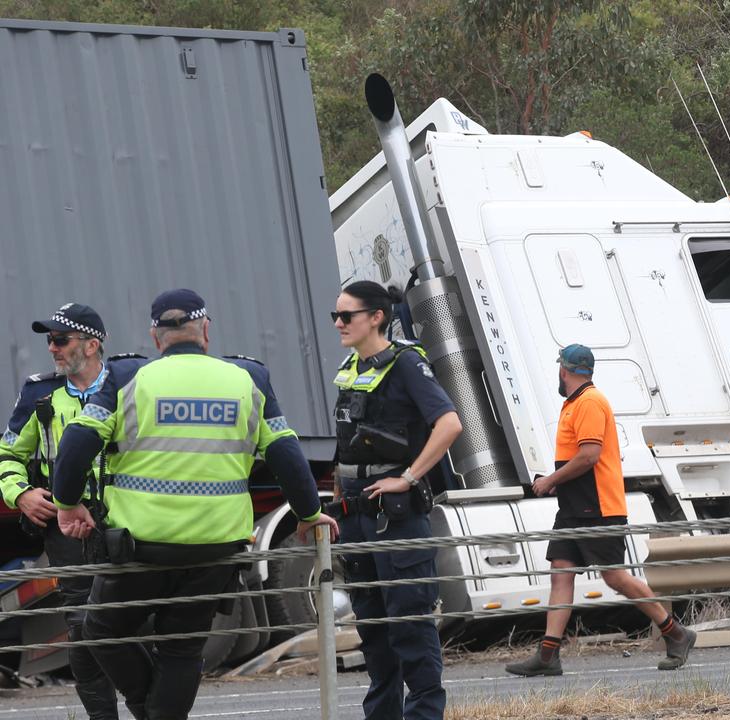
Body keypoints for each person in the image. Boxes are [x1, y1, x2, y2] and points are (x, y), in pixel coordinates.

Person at [51, 289, 337, 720]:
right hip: (216, 548)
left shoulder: (128, 377)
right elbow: (285, 454)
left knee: (102, 631)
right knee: (182, 647)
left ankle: (146, 709)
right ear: (205, 330)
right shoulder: (249, 379)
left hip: (141, 548)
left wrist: (67, 504)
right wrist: (309, 514)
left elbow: (75, 444)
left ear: (155, 335)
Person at [506, 344, 696, 677]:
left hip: (597, 508)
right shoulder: (576, 403)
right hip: (574, 508)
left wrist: (551, 478)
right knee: (561, 572)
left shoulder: (591, 402)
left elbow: (589, 456)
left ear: (564, 370)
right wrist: (556, 482)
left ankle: (676, 633)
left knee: (615, 577)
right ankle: (548, 655)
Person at [327, 281, 462, 720]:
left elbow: (449, 424)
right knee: (374, 633)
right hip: (356, 515)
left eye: (347, 316)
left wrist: (407, 477)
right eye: (336, 316)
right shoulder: (351, 366)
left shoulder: (406, 364)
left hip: (396, 519)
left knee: (409, 626)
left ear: (376, 317)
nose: (339, 324)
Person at [0, 303, 123, 720]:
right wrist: (21, 495)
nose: (51, 348)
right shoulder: (39, 392)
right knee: (84, 634)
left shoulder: (130, 387)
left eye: (60, 340)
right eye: (48, 340)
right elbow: (7, 456)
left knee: (139, 628)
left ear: (91, 345)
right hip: (66, 531)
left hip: (127, 525)